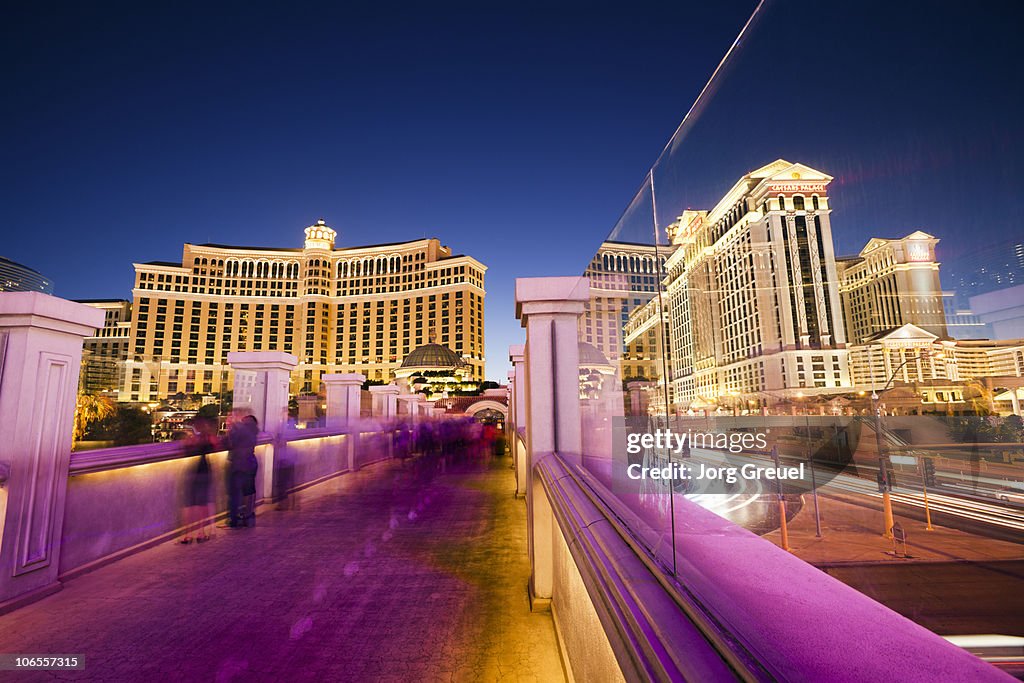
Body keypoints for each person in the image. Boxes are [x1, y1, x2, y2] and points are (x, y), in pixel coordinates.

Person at [180, 416, 217, 544]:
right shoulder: (208, 438)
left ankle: (186, 534)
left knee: (189, 504)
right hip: (203, 470)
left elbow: (185, 447)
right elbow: (216, 445)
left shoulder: (191, 440)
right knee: (202, 503)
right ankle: (201, 532)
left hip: (191, 472)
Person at [223, 410, 259, 528]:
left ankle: (234, 518)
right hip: (250, 462)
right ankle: (248, 516)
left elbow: (229, 443)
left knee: (235, 493)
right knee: (249, 490)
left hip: (238, 463)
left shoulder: (239, 429)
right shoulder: (254, 432)